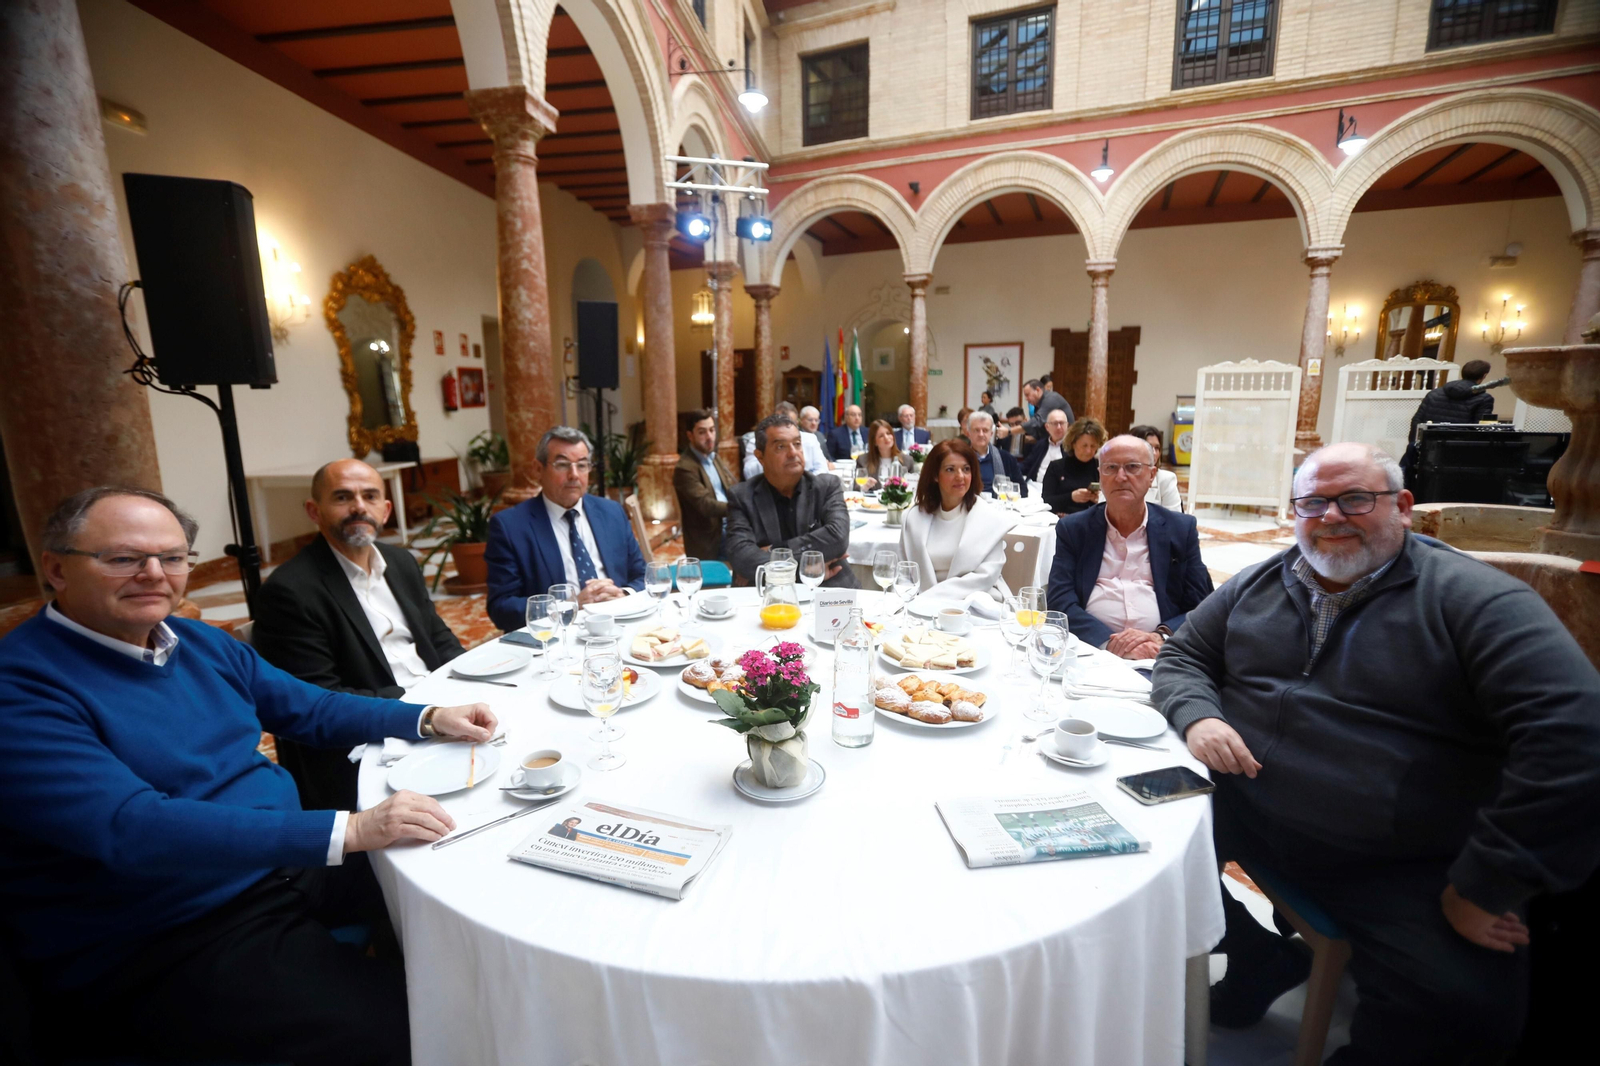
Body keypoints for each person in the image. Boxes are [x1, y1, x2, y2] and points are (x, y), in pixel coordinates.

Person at [0, 487, 497, 1066]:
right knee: (420, 1032)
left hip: (283, 865)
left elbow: (311, 708)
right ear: (57, 569)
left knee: (474, 875)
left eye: (172, 557)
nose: (154, 574)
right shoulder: (23, 688)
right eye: (124, 558)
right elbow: (129, 828)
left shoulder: (197, 642)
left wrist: (427, 718)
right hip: (175, 927)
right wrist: (351, 830)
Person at [1152, 443, 1600, 1065]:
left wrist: (1485, 884)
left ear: (1404, 506)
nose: (1331, 516)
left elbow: (1576, 734)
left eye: (1355, 499)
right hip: (1248, 803)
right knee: (1132, 845)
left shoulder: (1473, 599)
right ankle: (1259, 958)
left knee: (1460, 1012)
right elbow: (1183, 655)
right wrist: (1199, 716)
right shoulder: (1264, 581)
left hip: (1391, 857)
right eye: (1313, 503)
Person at [254, 458, 466, 811]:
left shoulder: (400, 562)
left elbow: (438, 638)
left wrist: (471, 685)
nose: (358, 507)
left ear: (386, 510)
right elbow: (319, 698)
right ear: (314, 511)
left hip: (436, 709)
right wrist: (425, 707)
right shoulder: (290, 591)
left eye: (369, 496)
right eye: (342, 497)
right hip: (368, 740)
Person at [1044, 435, 1211, 658]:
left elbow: (1202, 604)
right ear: (1100, 475)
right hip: (1092, 651)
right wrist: (1111, 643)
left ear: (1151, 475)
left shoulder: (1180, 529)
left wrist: (1160, 636)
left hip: (1160, 652)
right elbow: (1060, 601)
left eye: (1132, 467)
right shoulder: (1074, 529)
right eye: (1111, 468)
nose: (1121, 477)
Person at [484, 425, 647, 632]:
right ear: (538, 469)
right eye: (562, 465)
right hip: (557, 636)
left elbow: (642, 575)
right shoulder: (510, 526)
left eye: (582, 465)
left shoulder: (611, 512)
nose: (574, 475)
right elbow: (501, 608)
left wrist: (623, 595)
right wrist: (569, 605)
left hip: (619, 623)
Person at [724, 413, 858, 588]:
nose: (793, 453)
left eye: (797, 444)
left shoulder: (826, 486)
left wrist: (774, 550)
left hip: (830, 588)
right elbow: (743, 558)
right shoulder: (742, 496)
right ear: (760, 457)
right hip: (767, 594)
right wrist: (806, 570)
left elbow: (837, 539)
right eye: (781, 447)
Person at [899, 438, 1014, 602]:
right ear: (935, 475)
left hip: (977, 602)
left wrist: (930, 599)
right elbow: (904, 573)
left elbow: (985, 577)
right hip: (920, 604)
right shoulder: (913, 518)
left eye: (966, 469)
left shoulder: (990, 519)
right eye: (950, 469)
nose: (960, 476)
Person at [674, 409, 737, 561]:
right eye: (702, 432)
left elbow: (729, 487)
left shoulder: (713, 457)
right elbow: (706, 505)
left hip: (728, 524)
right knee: (751, 555)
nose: (709, 437)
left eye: (712, 430)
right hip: (710, 538)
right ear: (690, 435)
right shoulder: (685, 468)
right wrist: (738, 508)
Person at [1408, 358, 1496, 446]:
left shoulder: (1434, 393)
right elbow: (1480, 429)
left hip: (1429, 446)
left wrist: (1415, 444)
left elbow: (1417, 421)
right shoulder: (1484, 399)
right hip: (1460, 448)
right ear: (1484, 376)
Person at [1041, 417, 1105, 515]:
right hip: (1063, 518)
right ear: (1073, 444)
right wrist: (1071, 497)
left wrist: (1099, 499)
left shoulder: (1101, 467)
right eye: (1084, 446)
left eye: (1093, 446)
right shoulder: (1056, 467)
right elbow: (1046, 501)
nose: (1089, 451)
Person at [965, 410, 1028, 496]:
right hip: (969, 502)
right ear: (968, 433)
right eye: (976, 430)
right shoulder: (960, 458)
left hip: (999, 502)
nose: (981, 434)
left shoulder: (1006, 458)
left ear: (991, 434)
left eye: (985, 430)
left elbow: (1022, 490)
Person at [1127, 424, 1183, 511]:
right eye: (1148, 447)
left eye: (1157, 448)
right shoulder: (1119, 476)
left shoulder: (1166, 479)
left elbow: (1175, 517)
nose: (1154, 453)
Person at [853, 419, 911, 490]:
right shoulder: (863, 460)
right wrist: (864, 487)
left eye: (888, 433)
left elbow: (913, 488)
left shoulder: (907, 461)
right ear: (874, 442)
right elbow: (855, 487)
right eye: (881, 436)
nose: (886, 438)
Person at [776, 401, 830, 474]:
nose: (786, 428)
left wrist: (806, 480)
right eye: (781, 424)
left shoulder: (810, 439)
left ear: (797, 422)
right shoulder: (768, 441)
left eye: (790, 423)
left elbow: (822, 468)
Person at [1021, 407, 1070, 485]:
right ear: (1047, 427)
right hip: (1036, 485)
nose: (1059, 427)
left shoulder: (1073, 447)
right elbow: (1026, 465)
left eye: (1061, 423)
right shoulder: (1041, 445)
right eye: (1055, 423)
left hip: (1060, 489)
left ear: (1067, 425)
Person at [1021, 378, 1073, 442]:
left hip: (1065, 442)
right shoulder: (1038, 405)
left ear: (1037, 390)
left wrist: (1012, 431)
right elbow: (1039, 430)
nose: (1026, 398)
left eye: (1027, 395)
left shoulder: (1051, 399)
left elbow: (1037, 421)